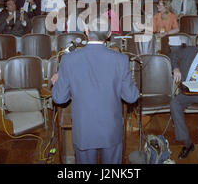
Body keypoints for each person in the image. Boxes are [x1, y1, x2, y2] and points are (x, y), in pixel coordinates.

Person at [51, 17, 139, 164]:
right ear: (109, 33)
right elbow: (131, 97)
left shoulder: (68, 60)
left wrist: (57, 82)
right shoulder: (121, 60)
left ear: (86, 32)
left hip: (84, 129)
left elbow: (60, 98)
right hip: (111, 129)